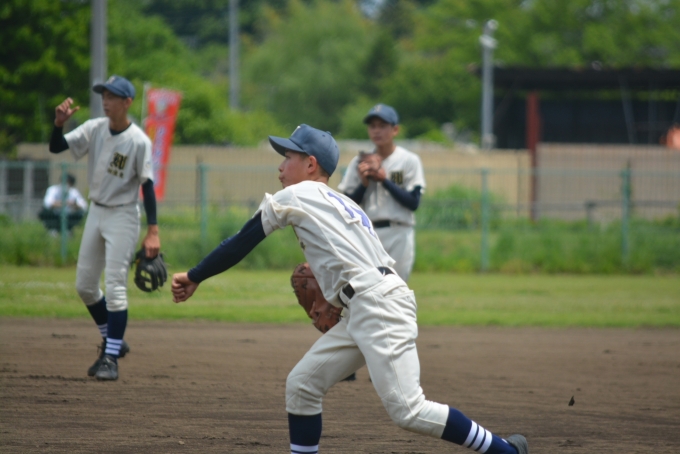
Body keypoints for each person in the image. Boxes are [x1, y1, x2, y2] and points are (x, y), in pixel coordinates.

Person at [171, 124, 528, 454]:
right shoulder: (343, 202)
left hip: (377, 306)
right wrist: (336, 293)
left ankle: (506, 451)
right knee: (302, 386)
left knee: (409, 409)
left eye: (288, 157)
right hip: (369, 303)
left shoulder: (296, 194)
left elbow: (242, 241)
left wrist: (196, 275)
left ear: (311, 164)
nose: (280, 166)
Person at [49, 75, 161, 381]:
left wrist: (153, 230)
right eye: (104, 95)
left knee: (115, 286)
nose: (105, 101)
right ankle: (114, 340)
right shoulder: (95, 128)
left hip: (123, 216)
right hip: (96, 211)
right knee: (85, 286)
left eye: (112, 96)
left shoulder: (138, 140)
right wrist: (58, 124)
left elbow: (148, 186)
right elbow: (57, 147)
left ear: (127, 102)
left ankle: (110, 358)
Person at [338, 103, 425, 281]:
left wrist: (384, 181)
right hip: (368, 233)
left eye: (383, 126)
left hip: (399, 232)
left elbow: (413, 202)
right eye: (372, 126)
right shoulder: (359, 162)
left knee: (397, 287)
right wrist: (363, 184)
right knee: (370, 287)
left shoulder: (408, 160)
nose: (377, 131)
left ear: (395, 130)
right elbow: (346, 205)